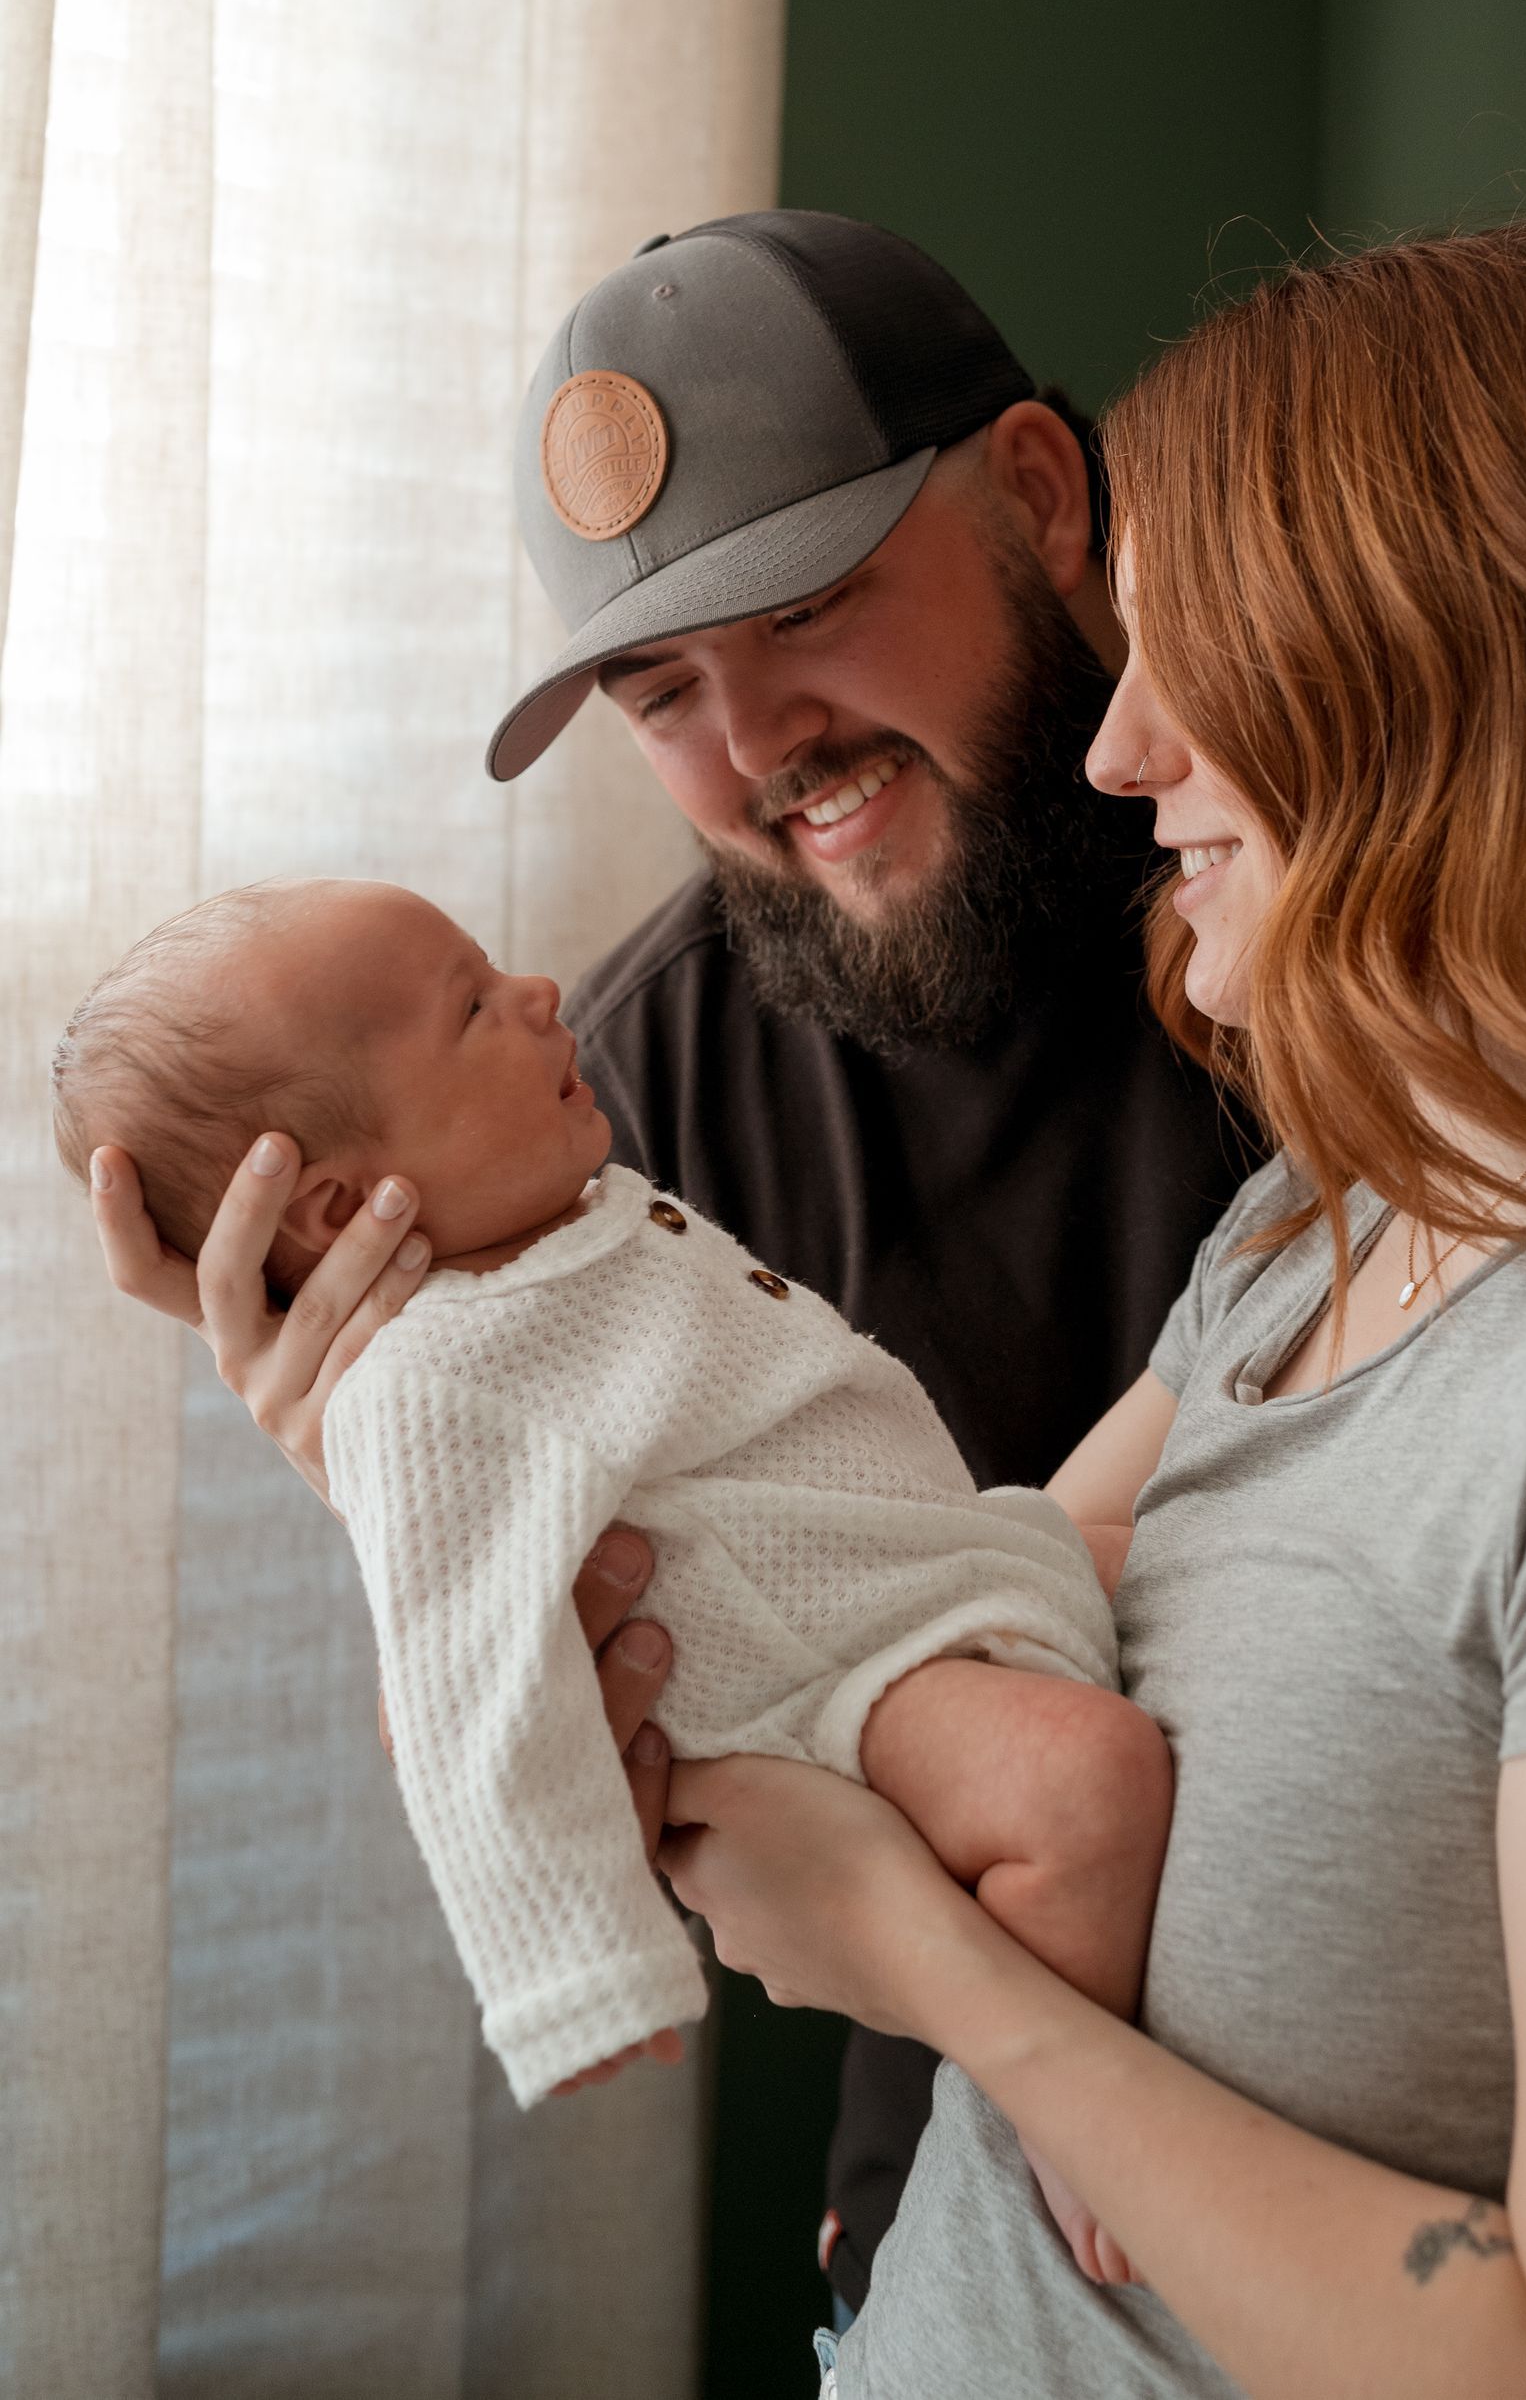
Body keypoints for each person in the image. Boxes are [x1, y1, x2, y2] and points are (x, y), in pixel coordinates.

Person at [647, 220, 1526, 2398]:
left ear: (1445, 674)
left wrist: (952, 1990)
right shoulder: (1318, 1229)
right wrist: (432, 1448)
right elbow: (948, 1612)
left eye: (1188, 662)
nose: (1125, 754)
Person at [87, 211, 1244, 2317]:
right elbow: (593, 1755)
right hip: (983, 2206)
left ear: (1042, 497)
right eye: (657, 690)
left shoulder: (1314, 910)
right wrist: (387, 1467)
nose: (756, 745)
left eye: (805, 610)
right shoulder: (605, 1111)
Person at [54, 876, 1164, 2120]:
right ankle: (1087, 2147)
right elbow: (464, 1686)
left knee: (1166, 1555)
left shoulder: (569, 1213)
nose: (537, 992)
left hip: (938, 1572)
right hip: (825, 1684)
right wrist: (572, 1969)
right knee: (1086, 1785)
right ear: (339, 1207)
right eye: (473, 1006)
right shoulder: (429, 1380)